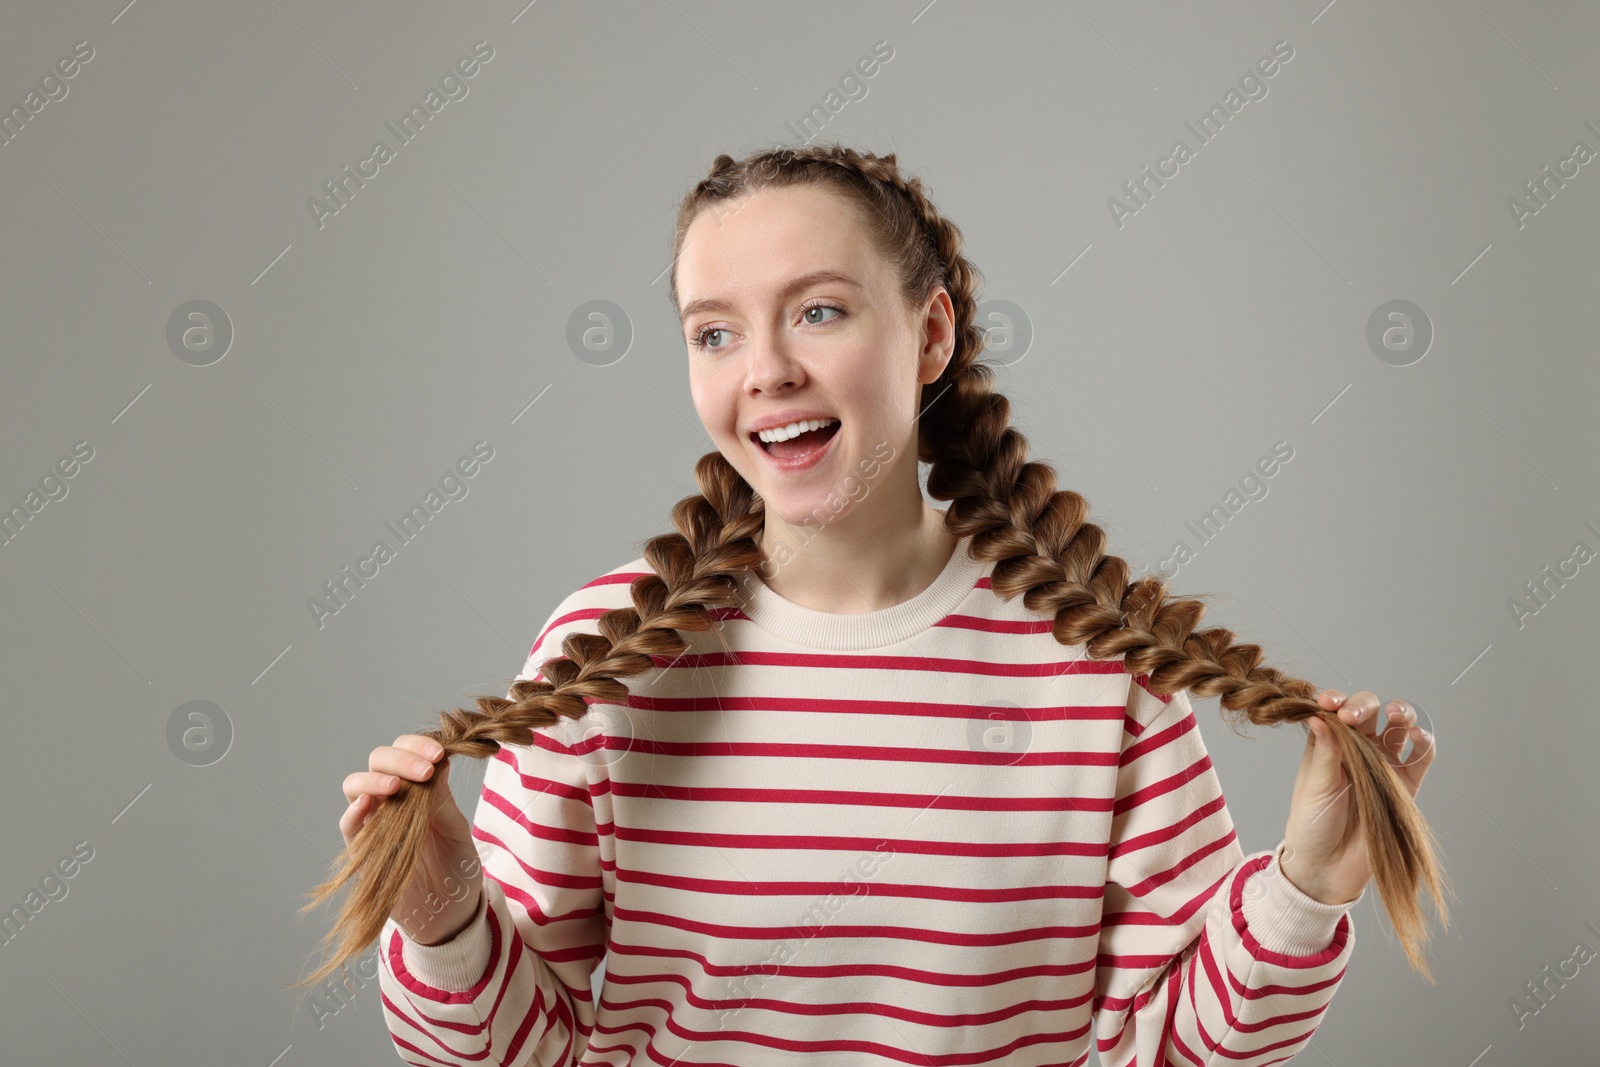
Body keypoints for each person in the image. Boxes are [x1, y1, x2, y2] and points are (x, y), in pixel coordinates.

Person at [308, 144, 1447, 1066]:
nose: (764, 369)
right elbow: (511, 1053)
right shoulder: (606, 658)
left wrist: (1300, 892)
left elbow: (1173, 1048)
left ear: (932, 336)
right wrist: (450, 919)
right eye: (714, 331)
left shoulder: (1096, 659)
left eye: (817, 312)